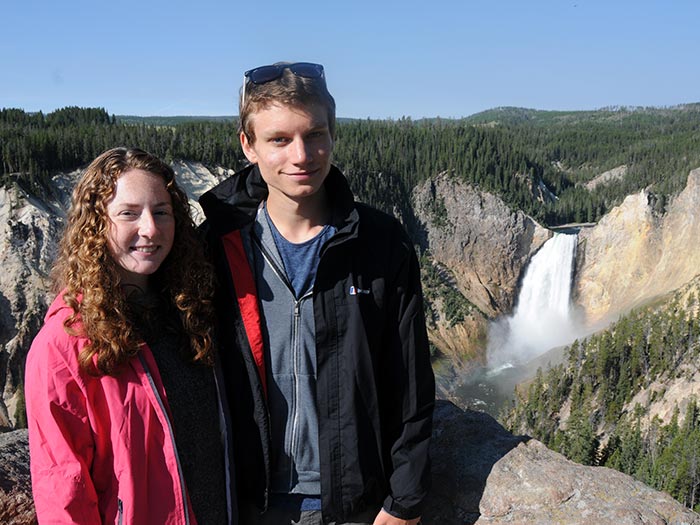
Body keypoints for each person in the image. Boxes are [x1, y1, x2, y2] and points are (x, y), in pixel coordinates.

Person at [200, 62, 435, 525]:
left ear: (333, 133)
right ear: (248, 145)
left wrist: (404, 501)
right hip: (248, 504)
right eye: (279, 139)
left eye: (315, 134)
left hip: (353, 506)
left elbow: (410, 381)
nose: (302, 155)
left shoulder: (381, 243)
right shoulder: (217, 248)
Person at [25, 147, 236, 524]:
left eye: (161, 212)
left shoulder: (189, 310)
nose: (150, 229)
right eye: (129, 213)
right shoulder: (65, 343)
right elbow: (63, 487)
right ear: (95, 224)